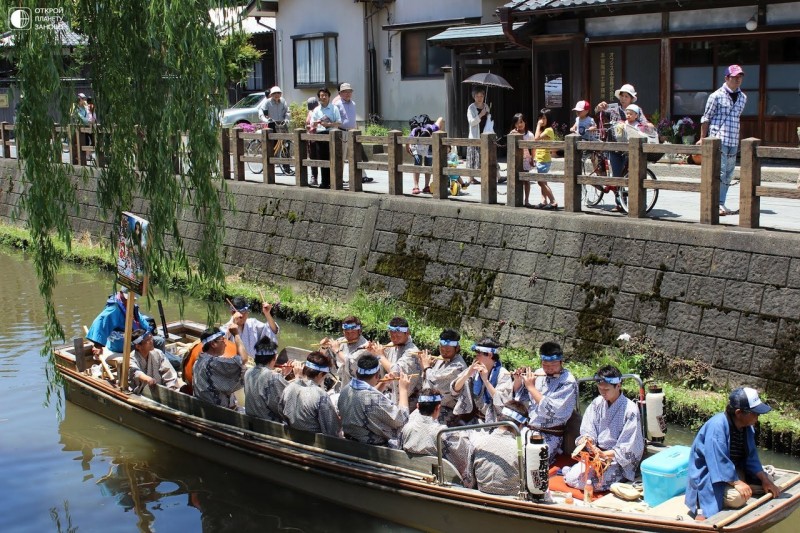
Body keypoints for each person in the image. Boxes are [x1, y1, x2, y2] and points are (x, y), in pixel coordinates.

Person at [685, 387, 781, 520]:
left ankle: (745, 487)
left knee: (768, 481)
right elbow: (718, 461)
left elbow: (751, 458)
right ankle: (701, 506)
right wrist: (737, 483)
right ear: (739, 413)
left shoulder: (747, 428)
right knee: (738, 498)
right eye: (754, 413)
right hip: (710, 476)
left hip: (733, 471)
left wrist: (765, 480)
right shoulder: (717, 426)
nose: (757, 418)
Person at [564, 365, 644, 491]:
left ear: (618, 386)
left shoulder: (630, 410)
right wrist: (588, 440)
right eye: (600, 389)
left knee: (590, 484)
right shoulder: (597, 403)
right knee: (572, 479)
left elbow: (629, 445)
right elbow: (588, 428)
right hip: (596, 454)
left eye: (606, 389)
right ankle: (572, 471)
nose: (603, 392)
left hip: (616, 460)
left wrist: (605, 454)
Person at [512, 341, 578, 465]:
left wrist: (531, 387)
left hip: (550, 435)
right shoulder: (539, 374)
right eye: (545, 364)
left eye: (553, 364)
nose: (549, 368)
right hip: (528, 429)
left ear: (561, 362)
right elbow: (521, 400)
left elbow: (553, 410)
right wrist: (518, 381)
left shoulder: (568, 382)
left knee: (532, 462)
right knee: (510, 455)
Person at [399, 388, 475, 488]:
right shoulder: (443, 434)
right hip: (440, 482)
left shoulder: (406, 428)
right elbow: (464, 457)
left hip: (413, 477)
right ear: (438, 408)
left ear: (417, 406)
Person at [699, 65, 747, 217]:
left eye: (740, 76)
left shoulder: (743, 97)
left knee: (729, 173)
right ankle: (716, 203)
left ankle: (721, 202)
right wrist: (702, 138)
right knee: (719, 171)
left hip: (733, 139)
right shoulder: (716, 96)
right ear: (726, 78)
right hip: (718, 139)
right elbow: (706, 118)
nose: (738, 79)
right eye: (734, 76)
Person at [595, 83, 649, 212]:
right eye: (622, 96)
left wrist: (648, 126)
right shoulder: (613, 109)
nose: (623, 99)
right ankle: (619, 203)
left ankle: (638, 202)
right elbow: (597, 113)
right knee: (617, 174)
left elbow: (645, 124)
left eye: (626, 96)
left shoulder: (637, 110)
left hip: (632, 148)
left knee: (634, 175)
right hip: (615, 147)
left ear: (631, 98)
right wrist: (599, 107)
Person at [338, 354, 410, 446]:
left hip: (350, 444)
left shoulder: (346, 390)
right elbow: (402, 419)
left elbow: (365, 398)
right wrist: (403, 390)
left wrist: (383, 384)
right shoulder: (373, 398)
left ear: (357, 372)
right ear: (377, 375)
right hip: (371, 450)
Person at [471, 400, 529, 495]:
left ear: (498, 419)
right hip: (512, 502)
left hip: (481, 497)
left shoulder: (478, 442)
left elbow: (470, 477)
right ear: (521, 425)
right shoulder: (522, 450)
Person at [86, 287, 163, 356]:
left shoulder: (130, 305)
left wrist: (148, 332)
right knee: (148, 344)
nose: (131, 300)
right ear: (121, 293)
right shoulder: (114, 308)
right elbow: (99, 322)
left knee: (159, 341)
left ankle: (157, 362)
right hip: (121, 343)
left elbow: (140, 321)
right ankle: (149, 364)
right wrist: (98, 345)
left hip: (134, 337)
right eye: (128, 298)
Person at [451, 337, 513, 424]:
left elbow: (502, 402)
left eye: (479, 354)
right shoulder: (474, 369)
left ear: (490, 355)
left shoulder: (503, 374)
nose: (476, 357)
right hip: (470, 417)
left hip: (491, 422)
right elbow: (454, 390)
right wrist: (467, 374)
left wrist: (485, 380)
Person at [280, 351, 341, 436]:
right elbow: (332, 429)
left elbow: (281, 412)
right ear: (320, 374)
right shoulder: (320, 395)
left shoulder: (289, 387)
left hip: (290, 437)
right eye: (325, 375)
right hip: (314, 444)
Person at [419, 329, 467, 425]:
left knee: (430, 426)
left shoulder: (458, 366)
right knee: (414, 420)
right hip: (431, 403)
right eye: (442, 349)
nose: (444, 353)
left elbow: (436, 382)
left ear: (457, 348)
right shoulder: (442, 358)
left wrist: (426, 367)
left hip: (447, 408)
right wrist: (429, 367)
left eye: (448, 350)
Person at [193, 326, 248, 408]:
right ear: (213, 344)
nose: (225, 344)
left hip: (205, 408)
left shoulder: (199, 361)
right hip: (218, 413)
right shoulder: (213, 364)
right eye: (223, 340)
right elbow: (243, 359)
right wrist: (236, 334)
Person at [244, 337, 294, 422]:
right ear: (274, 358)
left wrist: (283, 374)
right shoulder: (273, 377)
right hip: (269, 428)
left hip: (251, 424)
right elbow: (288, 403)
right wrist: (299, 377)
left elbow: (264, 389)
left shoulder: (248, 372)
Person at [332, 82, 373, 184]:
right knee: (341, 156)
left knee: (356, 155)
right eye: (345, 92)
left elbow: (352, 118)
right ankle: (338, 178)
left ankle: (362, 176)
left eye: (349, 91)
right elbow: (334, 120)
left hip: (353, 132)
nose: (347, 93)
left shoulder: (353, 103)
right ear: (340, 93)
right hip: (342, 132)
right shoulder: (337, 104)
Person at [379, 317, 423, 408]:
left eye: (398, 336)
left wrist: (380, 356)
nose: (394, 339)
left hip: (408, 400)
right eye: (392, 336)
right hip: (388, 393)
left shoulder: (413, 352)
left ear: (407, 333)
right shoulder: (393, 345)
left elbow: (397, 372)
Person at [320, 315, 371, 390]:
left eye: (352, 332)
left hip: (358, 387)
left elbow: (351, 363)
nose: (349, 335)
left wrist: (337, 351)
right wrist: (324, 347)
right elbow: (322, 359)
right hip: (342, 384)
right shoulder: (341, 341)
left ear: (359, 331)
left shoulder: (366, 347)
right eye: (346, 332)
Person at [128, 328, 182, 392]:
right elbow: (135, 372)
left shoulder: (158, 353)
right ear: (138, 346)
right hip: (140, 393)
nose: (151, 341)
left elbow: (168, 371)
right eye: (147, 340)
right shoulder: (131, 358)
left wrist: (171, 388)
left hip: (160, 391)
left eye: (151, 338)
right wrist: (147, 379)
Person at [310, 87, 342, 189]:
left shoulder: (334, 108)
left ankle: (333, 182)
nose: (323, 97)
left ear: (329, 96)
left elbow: (339, 122)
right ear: (319, 97)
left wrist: (329, 124)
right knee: (322, 159)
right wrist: (315, 123)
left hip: (332, 135)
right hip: (320, 135)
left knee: (332, 159)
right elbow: (312, 124)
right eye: (321, 96)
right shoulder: (316, 109)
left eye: (325, 95)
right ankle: (324, 182)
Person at [407, 116, 444, 195]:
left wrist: (439, 131)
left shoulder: (432, 128)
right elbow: (408, 140)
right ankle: (416, 186)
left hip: (430, 148)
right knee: (417, 164)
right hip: (416, 149)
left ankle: (426, 186)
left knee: (428, 164)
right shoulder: (415, 131)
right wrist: (408, 149)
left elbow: (440, 118)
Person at [533, 109, 557, 210]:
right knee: (543, 182)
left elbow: (536, 138)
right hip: (540, 158)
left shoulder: (549, 130)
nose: (541, 120)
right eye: (540, 118)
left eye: (543, 118)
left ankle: (553, 201)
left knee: (540, 181)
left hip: (544, 159)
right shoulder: (544, 130)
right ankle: (544, 201)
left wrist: (538, 125)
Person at [509, 112, 535, 207]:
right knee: (514, 179)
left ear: (525, 122)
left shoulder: (530, 135)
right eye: (516, 123)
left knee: (526, 180)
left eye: (521, 122)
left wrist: (533, 158)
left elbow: (533, 148)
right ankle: (514, 199)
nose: (519, 125)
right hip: (515, 160)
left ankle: (526, 199)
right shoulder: (512, 133)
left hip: (526, 160)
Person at [465, 87, 488, 185]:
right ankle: (471, 178)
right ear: (474, 97)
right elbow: (471, 122)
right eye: (477, 96)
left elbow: (489, 119)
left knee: (486, 156)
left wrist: (488, 114)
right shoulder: (471, 107)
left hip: (485, 133)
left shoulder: (486, 106)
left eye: (481, 96)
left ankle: (490, 176)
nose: (479, 98)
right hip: (475, 135)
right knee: (473, 157)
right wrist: (481, 115)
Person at [305, 96, 320, 186]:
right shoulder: (311, 113)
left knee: (315, 158)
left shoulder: (315, 112)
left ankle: (314, 178)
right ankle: (314, 177)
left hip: (316, 137)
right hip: (312, 138)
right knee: (313, 157)